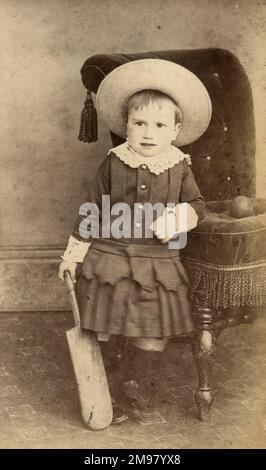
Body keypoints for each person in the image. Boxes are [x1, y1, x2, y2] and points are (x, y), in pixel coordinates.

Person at [58, 59, 212, 424]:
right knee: (107, 324)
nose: (148, 133)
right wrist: (72, 256)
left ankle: (134, 380)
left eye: (159, 125)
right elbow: (92, 208)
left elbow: (197, 205)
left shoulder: (179, 166)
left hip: (157, 262)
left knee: (153, 330)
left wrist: (178, 217)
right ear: (125, 125)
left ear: (175, 130)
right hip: (111, 257)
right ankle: (110, 381)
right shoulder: (113, 163)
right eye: (139, 123)